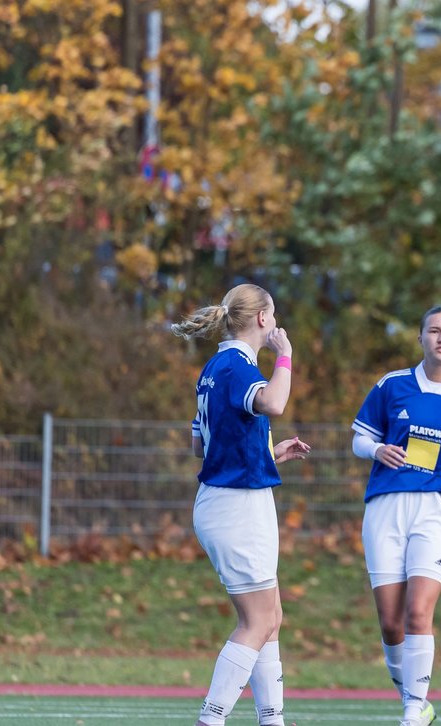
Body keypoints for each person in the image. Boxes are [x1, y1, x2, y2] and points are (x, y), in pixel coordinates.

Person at [171, 284, 311, 726]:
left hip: (235, 497)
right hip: (236, 506)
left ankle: (272, 719)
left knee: (271, 617)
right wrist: (285, 356)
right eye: (275, 316)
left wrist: (268, 454)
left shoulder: (216, 366)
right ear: (264, 320)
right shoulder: (236, 366)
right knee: (256, 621)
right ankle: (211, 719)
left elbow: (201, 445)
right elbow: (273, 401)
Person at [350, 306, 441, 726]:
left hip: (435, 510)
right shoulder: (391, 385)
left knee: (418, 614)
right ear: (421, 337)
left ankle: (414, 711)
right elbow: (360, 438)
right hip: (385, 508)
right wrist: (376, 449)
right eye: (434, 330)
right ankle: (414, 700)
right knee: (391, 624)